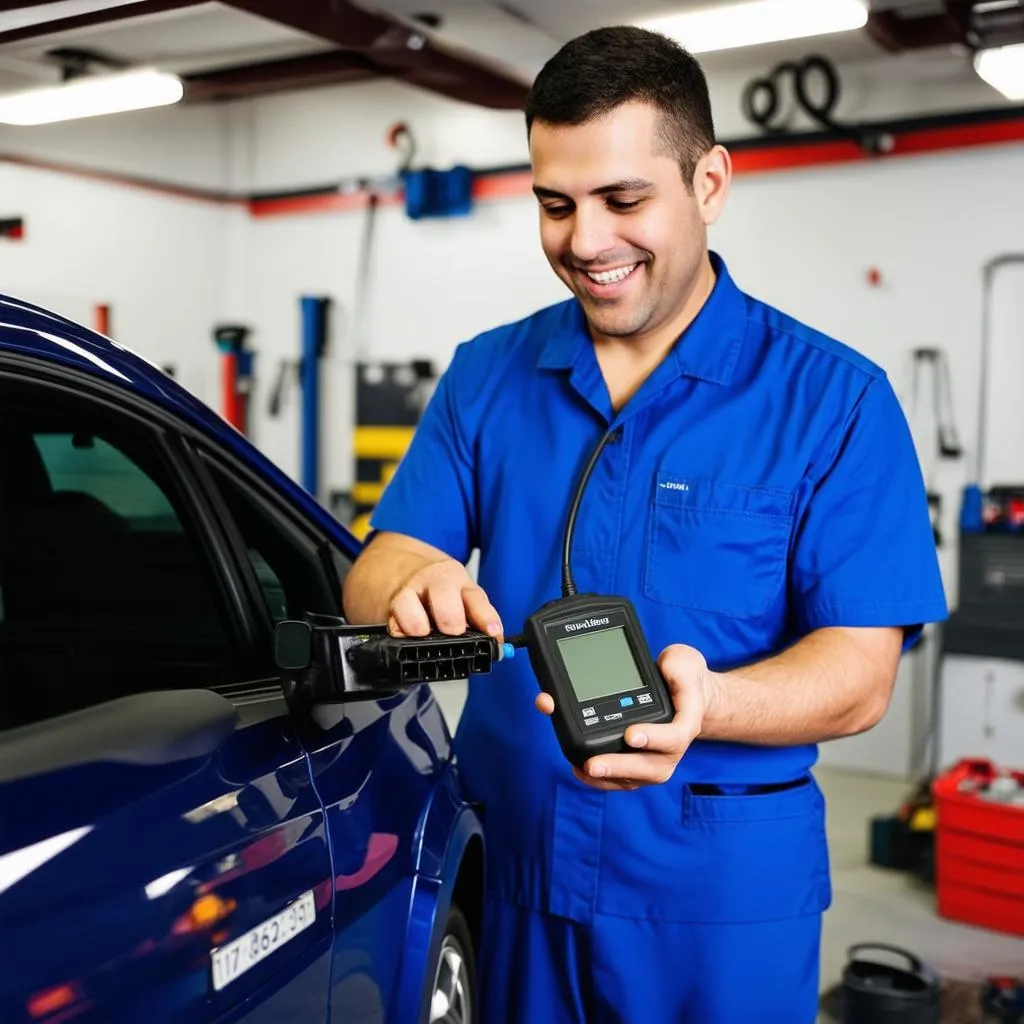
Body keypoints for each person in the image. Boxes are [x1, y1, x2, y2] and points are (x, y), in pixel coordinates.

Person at [343, 25, 947, 1024]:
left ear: (708, 182)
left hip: (718, 901)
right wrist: (407, 584)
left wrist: (708, 703)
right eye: (554, 203)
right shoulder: (485, 376)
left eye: (624, 199)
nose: (584, 240)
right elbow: (383, 559)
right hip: (512, 865)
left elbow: (858, 674)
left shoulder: (834, 402)